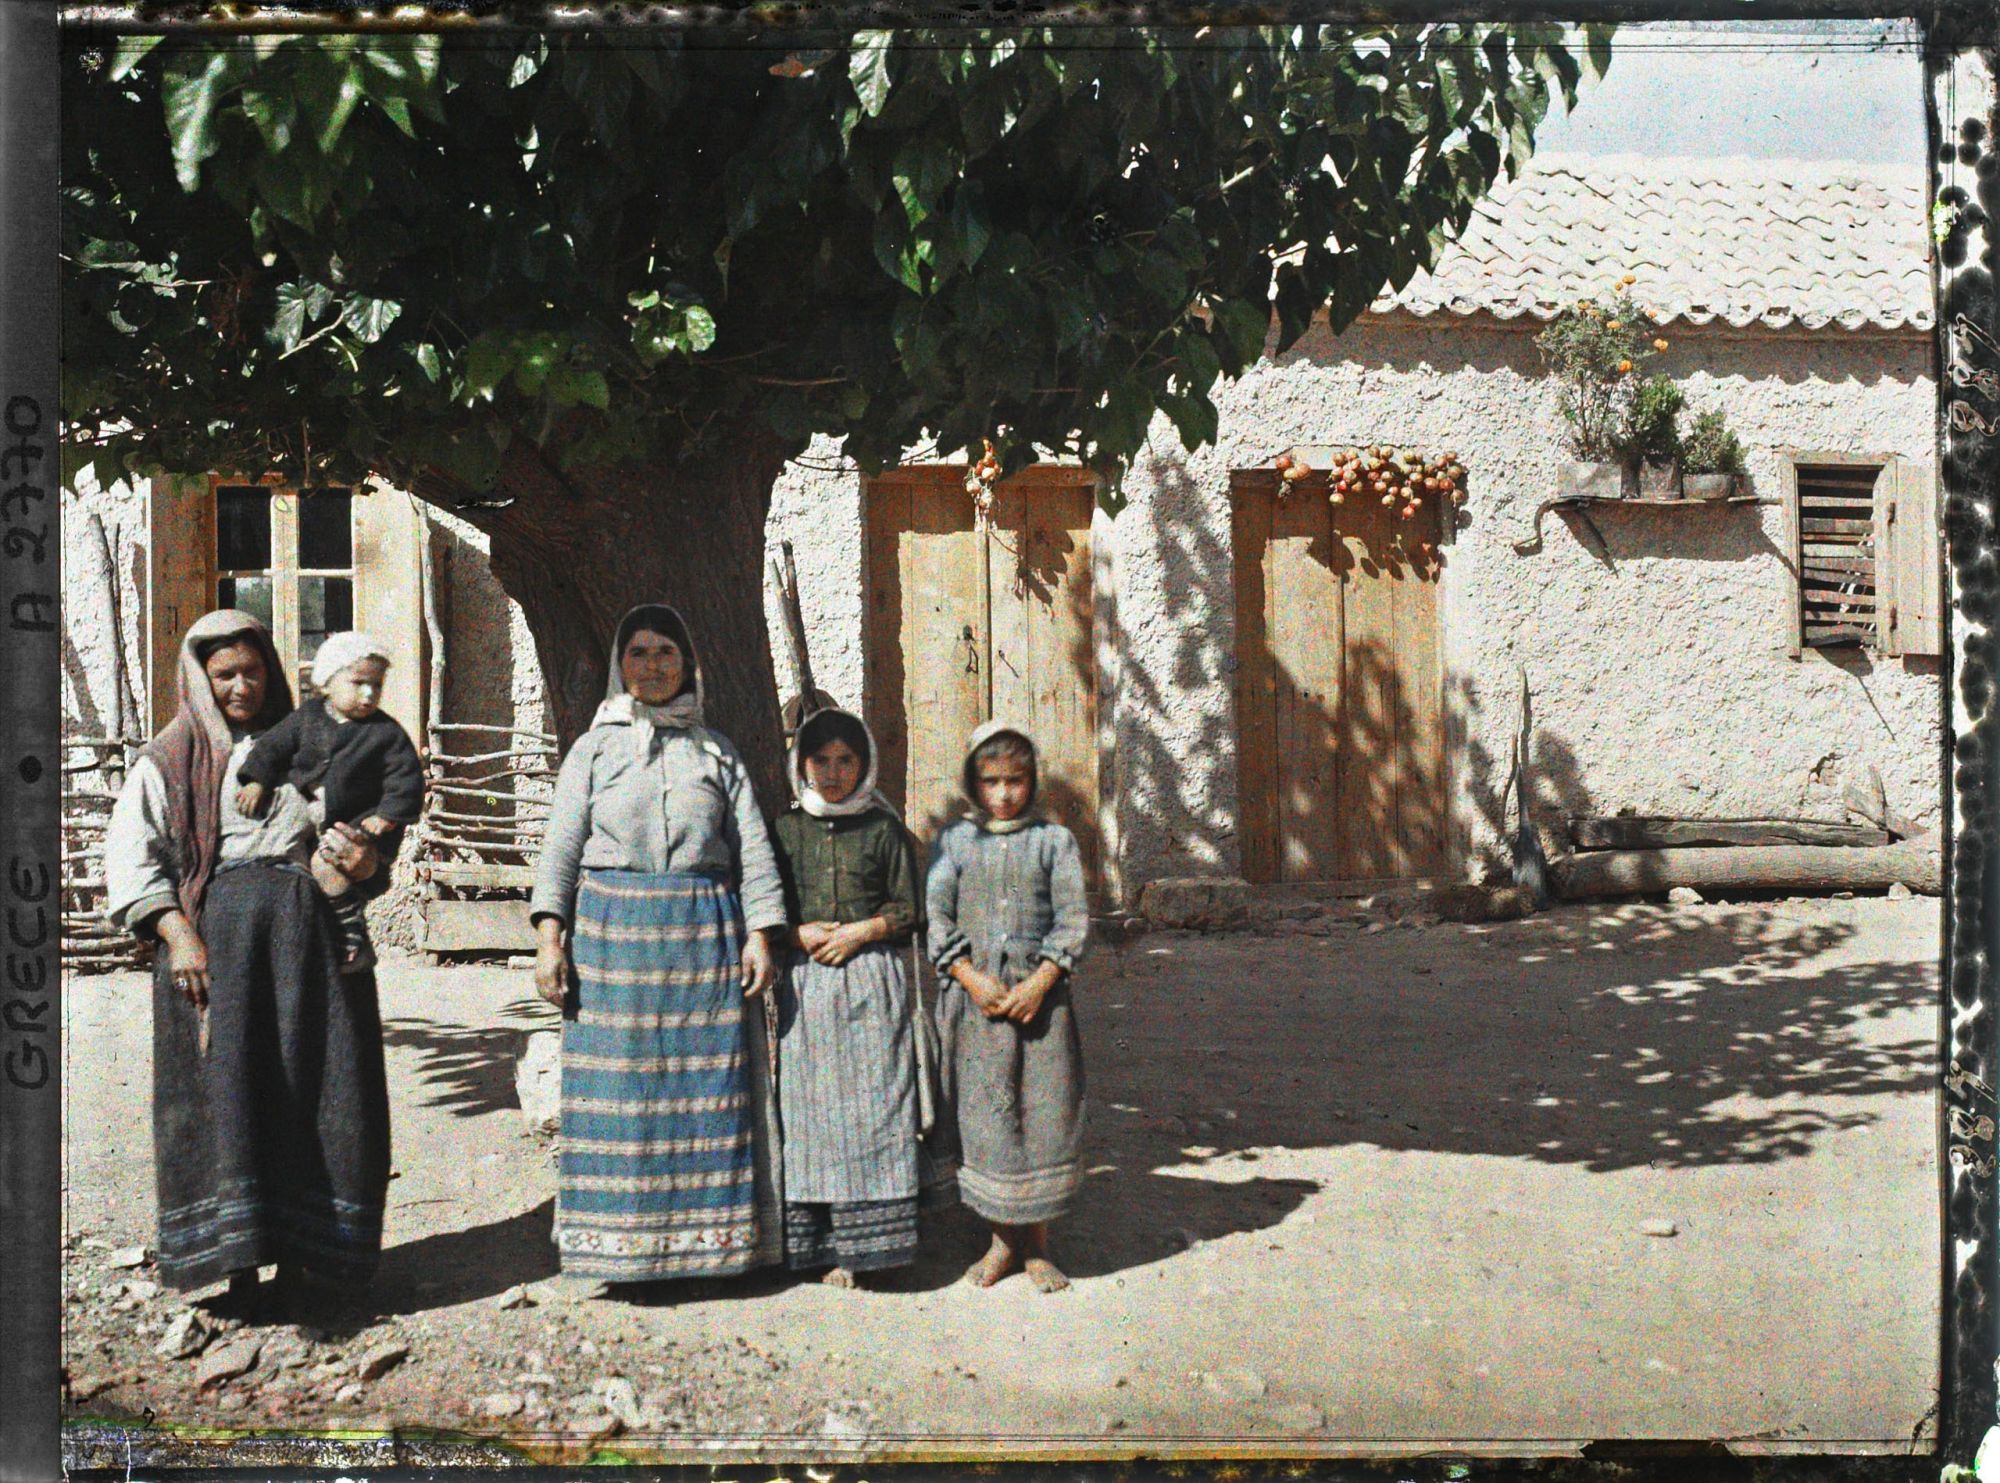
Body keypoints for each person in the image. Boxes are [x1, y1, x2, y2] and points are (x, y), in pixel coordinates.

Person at [104, 609, 391, 1317]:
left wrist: (363, 859)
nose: (241, 685)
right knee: (226, 1097)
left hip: (310, 935)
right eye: (225, 673)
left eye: (253, 670)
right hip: (217, 947)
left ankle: (306, 1260)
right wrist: (180, 938)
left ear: (273, 671)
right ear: (200, 677)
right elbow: (134, 857)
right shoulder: (169, 757)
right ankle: (237, 1269)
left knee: (315, 1085)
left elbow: (363, 832)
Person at [529, 604, 787, 1286]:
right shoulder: (594, 747)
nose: (652, 665)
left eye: (666, 652)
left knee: (703, 1089)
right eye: (639, 652)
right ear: (621, 664)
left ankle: (708, 1251)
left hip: (703, 934)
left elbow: (752, 846)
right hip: (614, 940)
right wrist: (550, 940)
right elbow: (561, 845)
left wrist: (760, 933)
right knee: (626, 1094)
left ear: (688, 663)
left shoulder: (716, 749)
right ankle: (622, 1250)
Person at [770, 707, 935, 1288]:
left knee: (873, 1111)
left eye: (847, 761)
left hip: (871, 979)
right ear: (801, 764)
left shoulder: (883, 828)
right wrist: (798, 934)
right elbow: (768, 907)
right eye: (821, 761)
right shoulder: (785, 831)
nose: (834, 773)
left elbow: (909, 907)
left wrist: (863, 931)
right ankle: (817, 1247)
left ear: (865, 764)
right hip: (806, 987)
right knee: (812, 1115)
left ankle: (868, 1251)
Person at [925, 720, 1089, 1292]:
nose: (1003, 794)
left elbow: (1072, 919)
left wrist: (1042, 980)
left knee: (1042, 1117)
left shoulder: (1054, 842)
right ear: (974, 783)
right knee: (986, 1119)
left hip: (1041, 1008)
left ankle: (1039, 1247)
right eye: (991, 781)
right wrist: (969, 977)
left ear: (1032, 780)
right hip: (976, 1007)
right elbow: (937, 917)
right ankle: (999, 1242)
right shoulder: (954, 843)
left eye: (1015, 781)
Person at [235, 631, 424, 974]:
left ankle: (348, 926)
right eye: (358, 683)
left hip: (355, 824)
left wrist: (387, 815)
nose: (369, 694)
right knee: (277, 858)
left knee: (327, 866)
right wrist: (256, 781)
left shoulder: (386, 733)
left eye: (377, 685)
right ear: (326, 683)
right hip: (304, 813)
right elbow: (272, 747)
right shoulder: (307, 717)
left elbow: (406, 778)